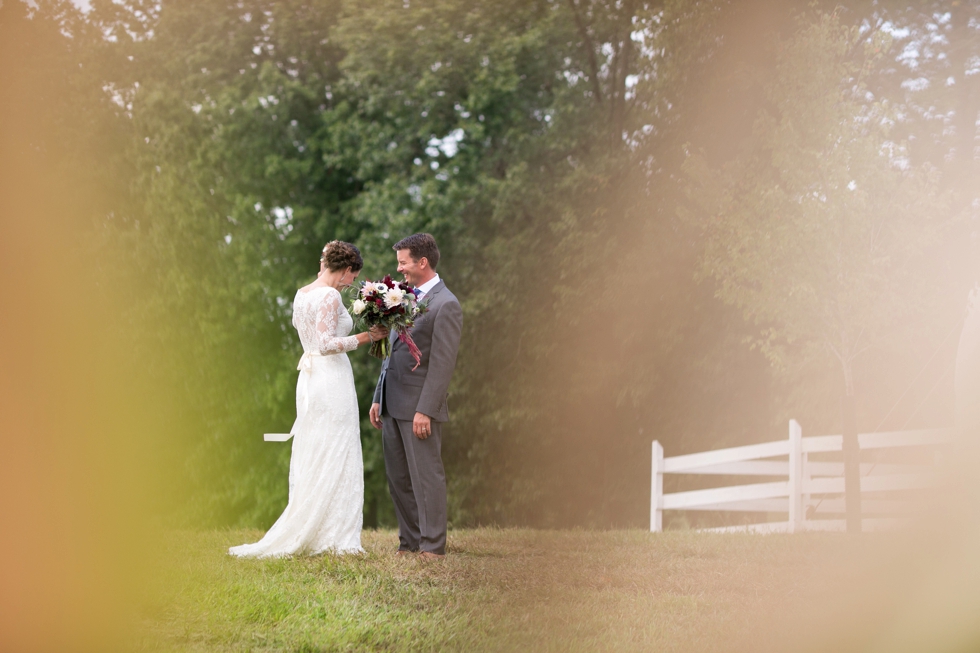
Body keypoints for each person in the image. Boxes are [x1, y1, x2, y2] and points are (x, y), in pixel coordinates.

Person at [230, 241, 387, 558]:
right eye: (351, 277)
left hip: (311, 379)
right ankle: (334, 535)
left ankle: (321, 527)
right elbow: (326, 344)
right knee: (336, 446)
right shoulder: (329, 295)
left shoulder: (303, 293)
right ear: (345, 269)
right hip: (330, 377)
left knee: (319, 447)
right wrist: (368, 336)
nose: (351, 284)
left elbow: (306, 335)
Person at [370, 233, 463, 560]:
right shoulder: (403, 296)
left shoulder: (445, 304)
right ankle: (408, 542)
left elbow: (442, 364)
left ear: (422, 262)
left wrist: (426, 409)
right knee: (399, 479)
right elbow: (392, 352)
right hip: (392, 404)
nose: (399, 270)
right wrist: (378, 395)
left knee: (427, 478)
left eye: (403, 262)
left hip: (419, 407)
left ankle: (432, 546)